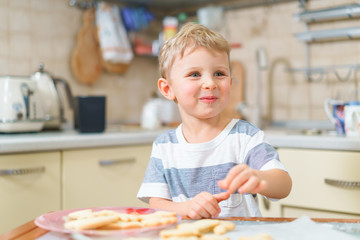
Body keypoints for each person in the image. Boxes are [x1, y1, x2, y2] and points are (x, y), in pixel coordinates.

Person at [137, 22, 292, 219]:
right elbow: (156, 205)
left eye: (219, 74)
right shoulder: (164, 146)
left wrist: (259, 178)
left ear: (230, 82)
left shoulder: (245, 136)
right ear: (168, 89)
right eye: (194, 74)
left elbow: (283, 184)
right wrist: (186, 208)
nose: (210, 83)